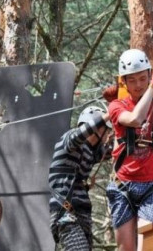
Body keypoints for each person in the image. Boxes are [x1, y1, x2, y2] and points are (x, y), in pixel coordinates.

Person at [103, 49, 153, 251]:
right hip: (122, 187)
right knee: (126, 249)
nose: (138, 85)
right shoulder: (117, 106)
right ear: (124, 82)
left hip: (151, 187)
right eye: (132, 80)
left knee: (148, 247)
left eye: (143, 78)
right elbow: (135, 119)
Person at [48, 103, 113, 250]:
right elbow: (79, 135)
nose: (107, 135)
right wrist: (108, 115)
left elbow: (115, 148)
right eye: (106, 130)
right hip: (66, 216)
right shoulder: (69, 140)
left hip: (82, 217)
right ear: (97, 129)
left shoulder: (91, 151)